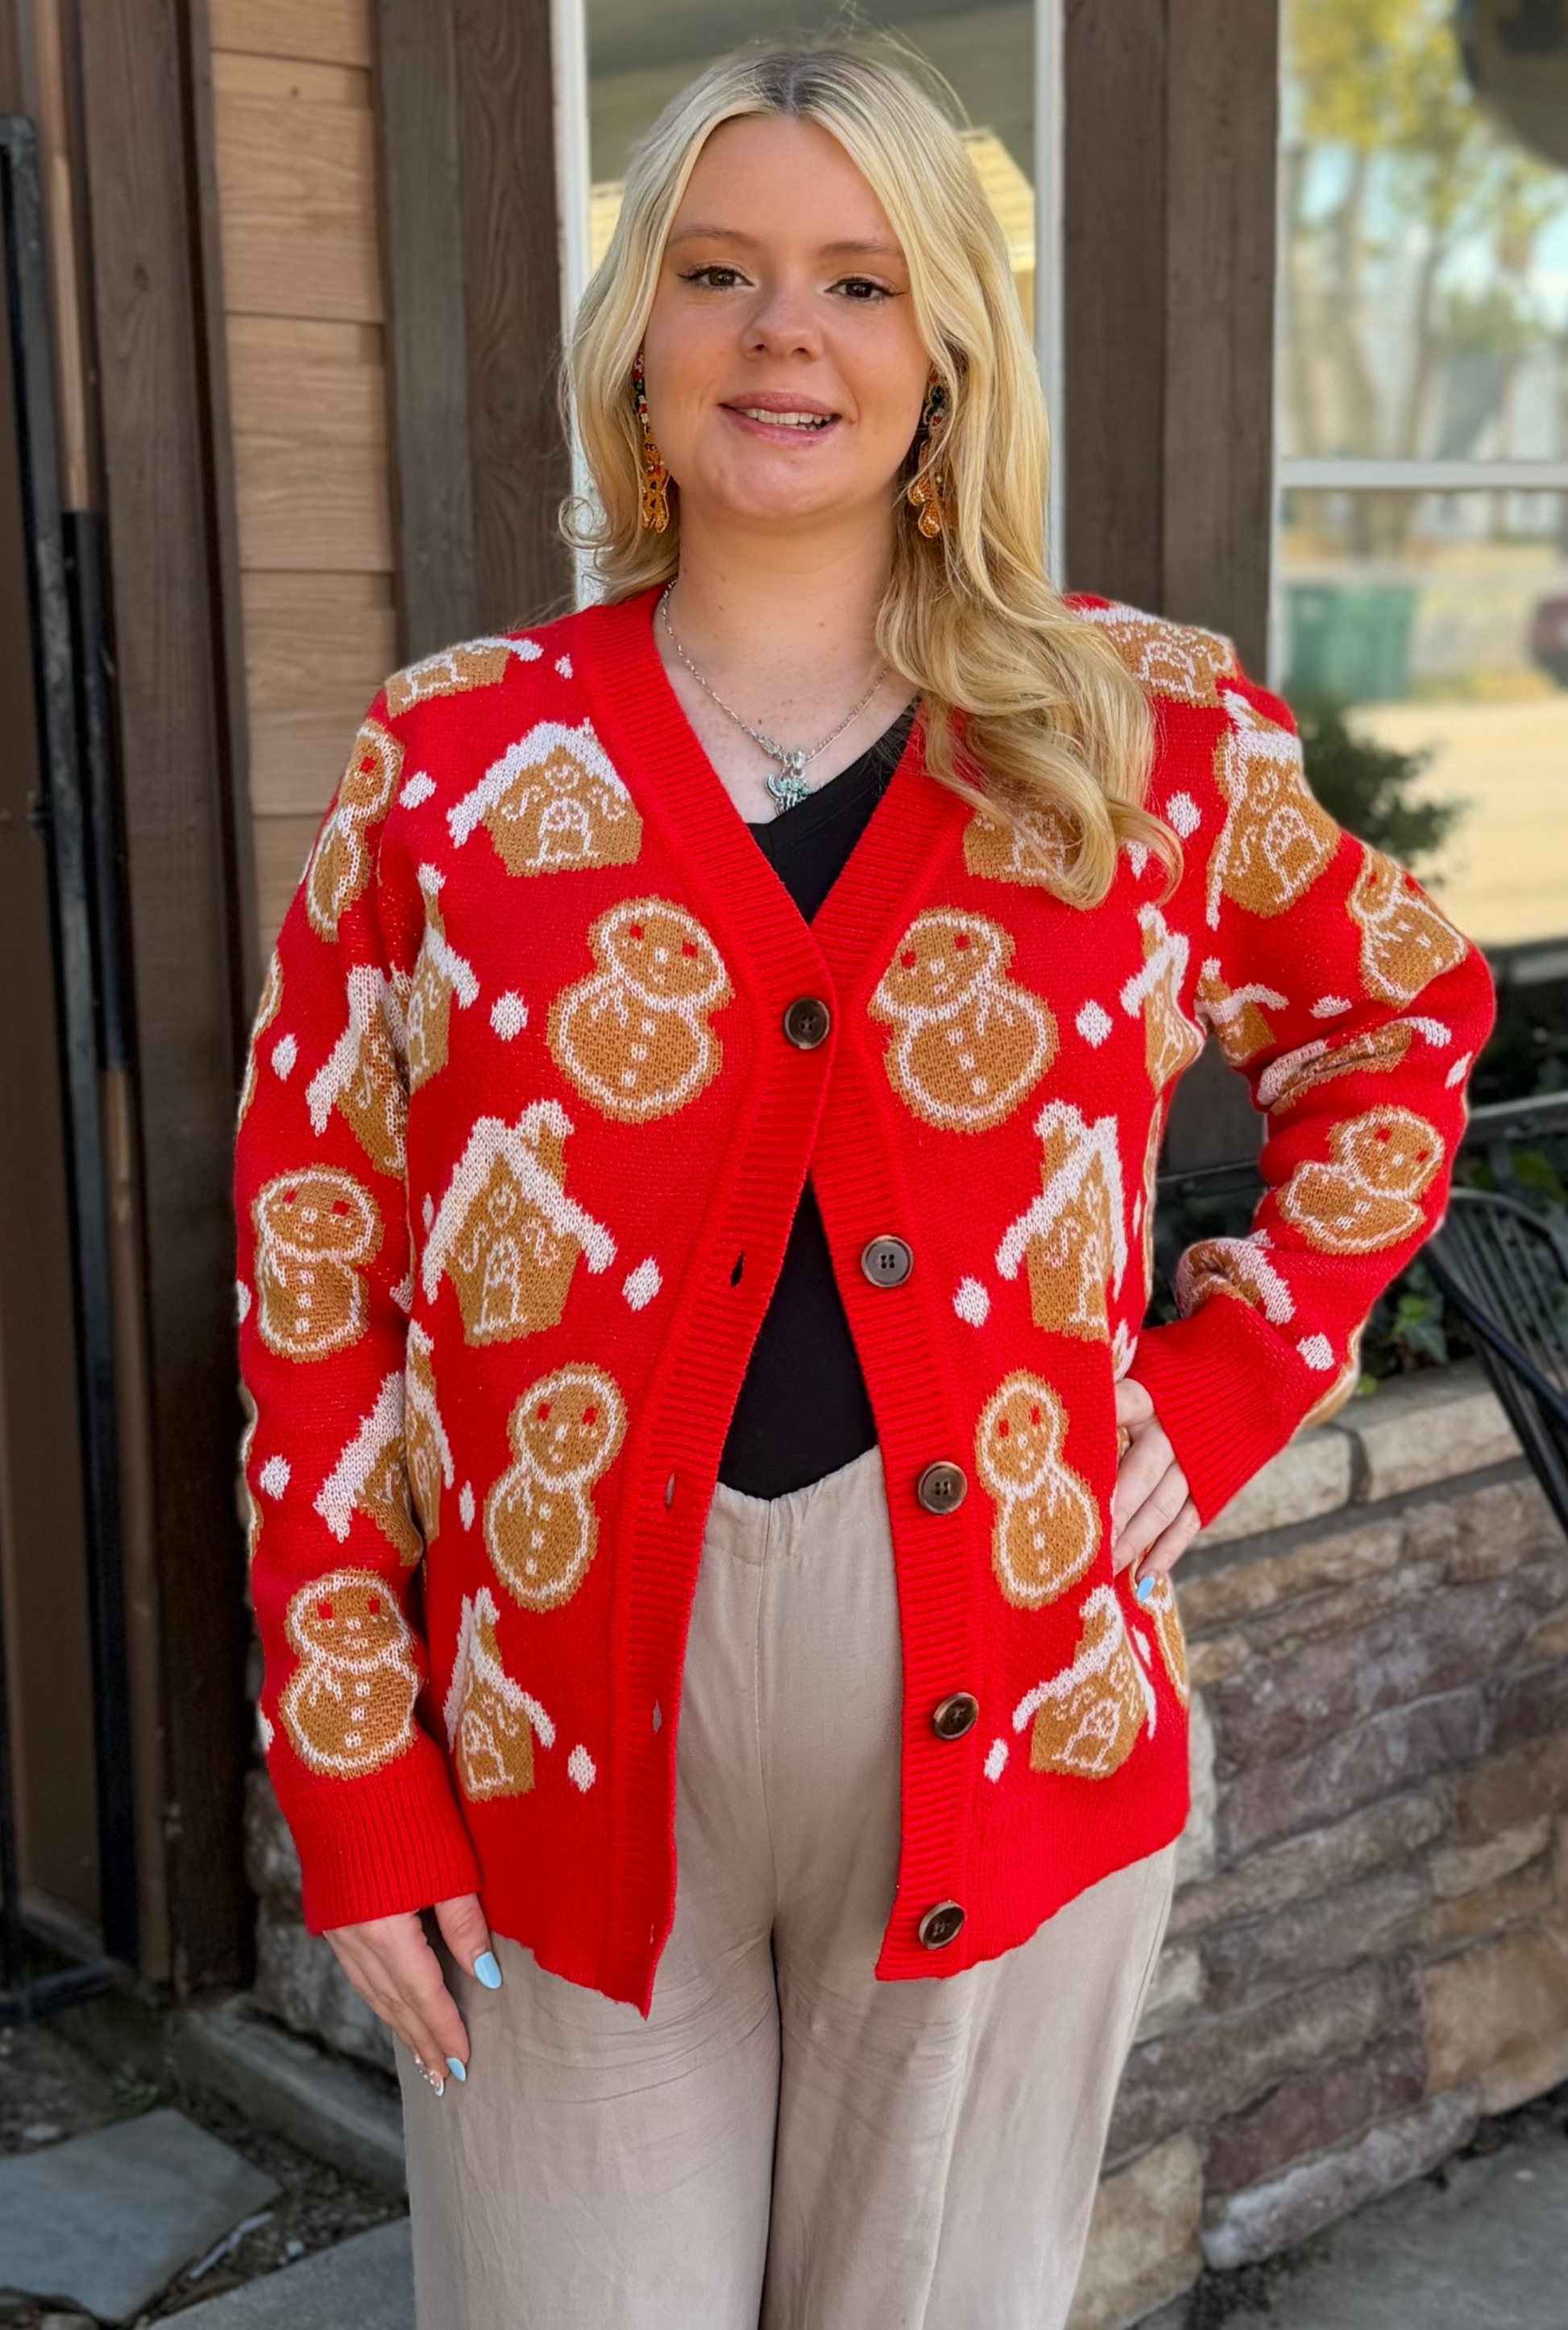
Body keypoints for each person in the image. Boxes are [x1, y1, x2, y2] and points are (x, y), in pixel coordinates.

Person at [231, 39, 1495, 2329]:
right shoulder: (455, 757)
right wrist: (349, 1753)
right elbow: (314, 1244)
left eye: (860, 279)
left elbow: (1401, 1021)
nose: (784, 334)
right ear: (640, 334)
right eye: (719, 272)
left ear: (950, 355)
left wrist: (1225, 1385)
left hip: (1013, 1716)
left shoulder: (1134, 734)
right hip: (546, 1744)